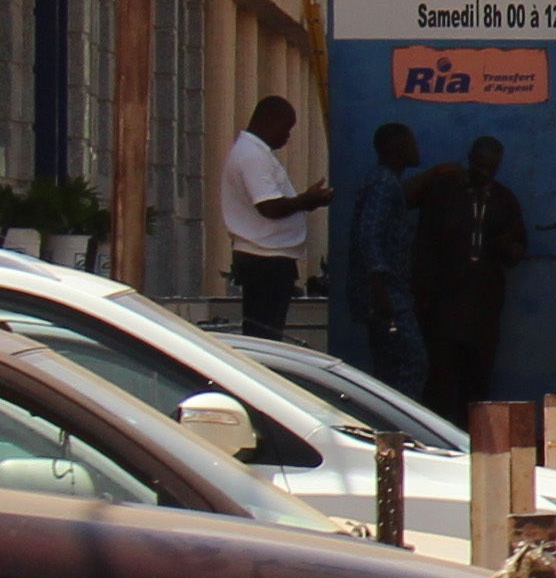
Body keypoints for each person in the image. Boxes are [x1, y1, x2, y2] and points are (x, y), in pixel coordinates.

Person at [414, 136, 530, 414]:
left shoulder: (504, 200)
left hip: (483, 311)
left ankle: (472, 439)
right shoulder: (446, 194)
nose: (484, 173)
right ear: (469, 159)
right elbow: (423, 246)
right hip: (443, 309)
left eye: (491, 168)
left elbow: (517, 252)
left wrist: (506, 245)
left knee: (477, 388)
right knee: (439, 385)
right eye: (479, 166)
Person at [218, 95, 333, 341]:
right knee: (265, 335)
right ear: (268, 120)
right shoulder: (252, 155)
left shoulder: (256, 153)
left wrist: (306, 200)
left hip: (270, 256)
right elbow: (269, 207)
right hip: (264, 260)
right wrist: (307, 200)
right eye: (285, 128)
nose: (287, 136)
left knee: (268, 331)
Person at [338, 124, 431, 391]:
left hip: (388, 291)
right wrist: (380, 290)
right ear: (398, 148)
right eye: (412, 143)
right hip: (387, 294)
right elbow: (369, 234)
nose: (417, 149)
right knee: (412, 362)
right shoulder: (383, 184)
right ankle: (399, 415)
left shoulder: (386, 183)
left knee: (389, 367)